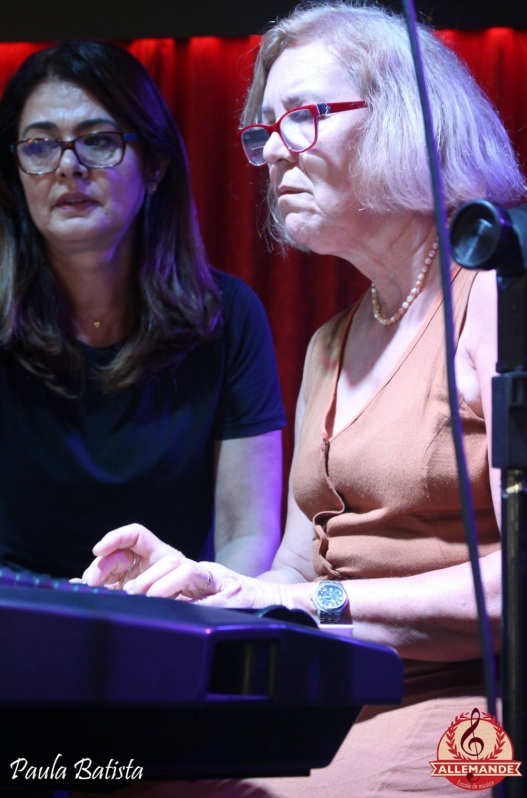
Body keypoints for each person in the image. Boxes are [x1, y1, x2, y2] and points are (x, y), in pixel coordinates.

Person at [80, 2, 526, 796]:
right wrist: (205, 585)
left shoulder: (494, 301)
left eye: (305, 116)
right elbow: (296, 564)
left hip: (468, 712)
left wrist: (306, 601)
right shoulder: (330, 340)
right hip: (327, 696)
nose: (271, 152)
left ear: (401, 122)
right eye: (263, 128)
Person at [0, 40, 286, 580]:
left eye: (99, 141)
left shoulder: (229, 317)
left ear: (155, 165)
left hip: (172, 622)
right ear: (14, 174)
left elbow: (246, 531)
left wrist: (215, 604)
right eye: (39, 146)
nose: (69, 167)